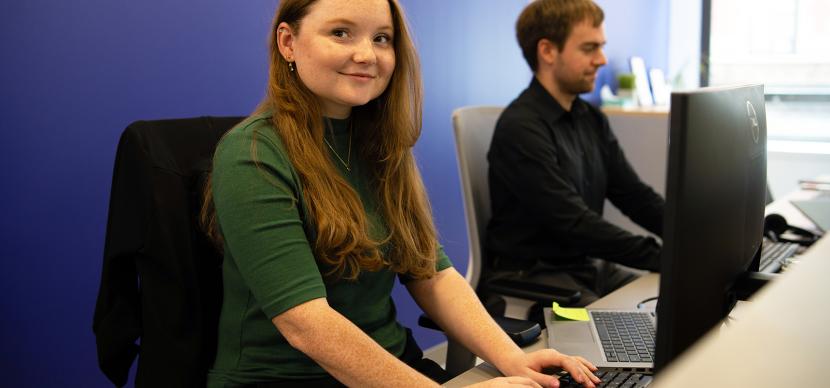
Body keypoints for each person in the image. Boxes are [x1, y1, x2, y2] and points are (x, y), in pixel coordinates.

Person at [201, 0, 601, 387]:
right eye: (340, 33)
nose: (366, 55)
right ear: (288, 42)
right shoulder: (252, 153)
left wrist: (514, 358)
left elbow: (432, 273)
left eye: (381, 38)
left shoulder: (380, 146)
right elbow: (306, 324)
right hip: (288, 379)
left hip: (394, 367)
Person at [486, 0, 665, 308]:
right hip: (533, 278)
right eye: (589, 48)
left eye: (601, 47)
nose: (602, 59)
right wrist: (662, 255)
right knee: (623, 330)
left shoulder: (591, 119)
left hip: (585, 268)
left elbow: (635, 196)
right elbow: (574, 223)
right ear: (547, 51)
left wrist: (689, 233)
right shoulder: (520, 129)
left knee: (676, 298)